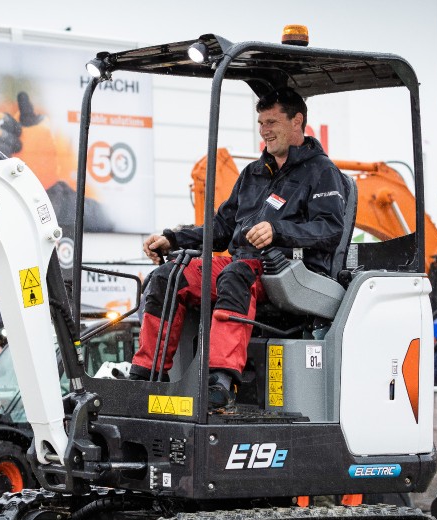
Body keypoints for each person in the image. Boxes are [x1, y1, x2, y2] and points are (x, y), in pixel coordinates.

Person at [128, 87, 347, 410]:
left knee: (235, 274)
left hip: (290, 272)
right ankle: (146, 374)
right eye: (261, 123)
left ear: (297, 121)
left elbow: (329, 230)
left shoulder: (322, 172)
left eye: (272, 122)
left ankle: (221, 380)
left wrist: (278, 231)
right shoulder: (253, 174)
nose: (265, 131)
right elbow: (220, 231)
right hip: (244, 264)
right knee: (169, 275)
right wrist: (173, 239)